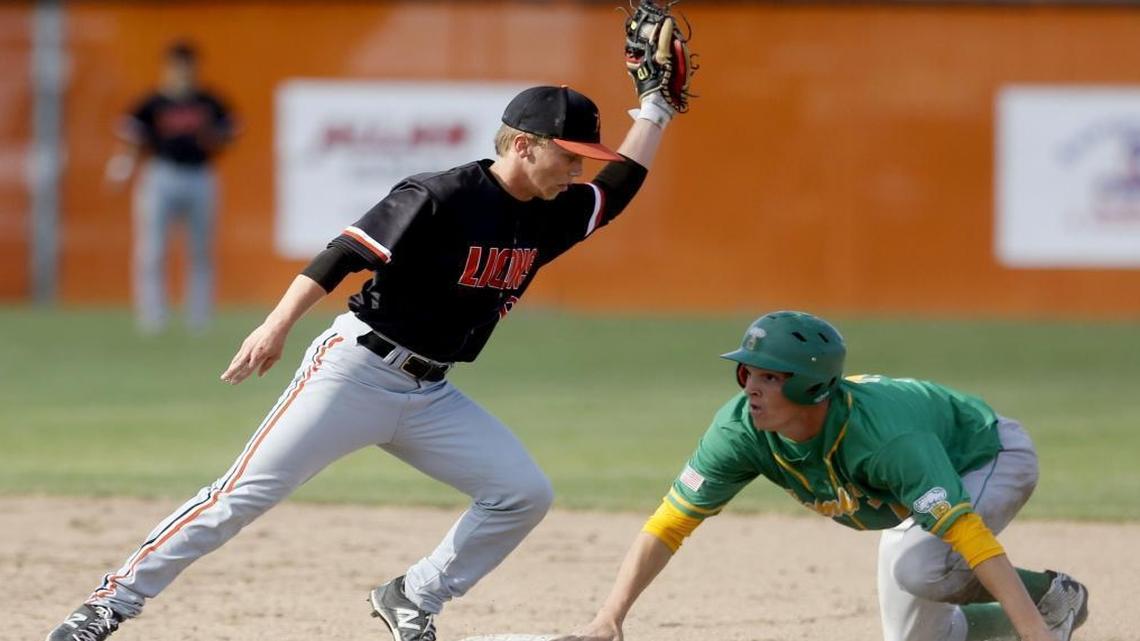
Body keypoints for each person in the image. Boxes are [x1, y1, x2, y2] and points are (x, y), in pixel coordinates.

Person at [47, 58, 685, 641]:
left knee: (522, 493)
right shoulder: (441, 195)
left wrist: (653, 109)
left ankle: (413, 595)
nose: (579, 170)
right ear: (523, 144)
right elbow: (344, 252)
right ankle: (109, 604)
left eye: (582, 159)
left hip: (430, 393)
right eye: (570, 156)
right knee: (239, 497)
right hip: (354, 373)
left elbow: (619, 188)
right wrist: (275, 326)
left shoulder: (551, 211)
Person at [554, 311, 1090, 641]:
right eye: (747, 372)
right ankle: (1025, 617)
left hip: (983, 452)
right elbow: (669, 523)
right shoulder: (741, 429)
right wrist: (610, 618)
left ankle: (1048, 602)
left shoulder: (886, 440)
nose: (751, 388)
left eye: (770, 377)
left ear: (812, 388)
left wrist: (1033, 635)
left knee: (922, 567)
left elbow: (966, 531)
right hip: (911, 486)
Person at [103, 39, 238, 334]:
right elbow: (133, 136)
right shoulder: (153, 102)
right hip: (161, 174)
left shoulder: (208, 101)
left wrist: (213, 136)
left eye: (187, 65)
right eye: (177, 66)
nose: (183, 72)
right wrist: (123, 164)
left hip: (200, 174)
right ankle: (153, 317)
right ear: (168, 68)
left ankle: (199, 318)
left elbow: (229, 132)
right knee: (152, 249)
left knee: (200, 249)